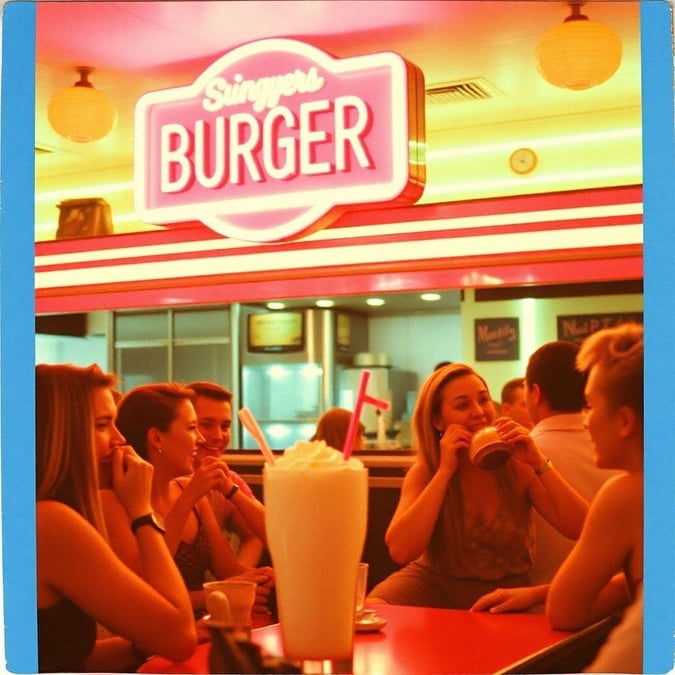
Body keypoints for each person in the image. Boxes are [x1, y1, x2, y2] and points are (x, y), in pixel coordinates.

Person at [366, 362, 588, 609]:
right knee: (374, 608)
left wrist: (537, 460)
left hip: (506, 590)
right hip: (433, 585)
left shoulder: (517, 466)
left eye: (483, 400)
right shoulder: (427, 471)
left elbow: (580, 528)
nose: (479, 412)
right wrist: (444, 471)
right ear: (438, 421)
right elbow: (401, 551)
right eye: (462, 405)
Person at [471, 324, 643, 641]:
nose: (585, 419)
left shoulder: (627, 493)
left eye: (591, 405)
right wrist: (536, 593)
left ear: (625, 421)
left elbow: (565, 612)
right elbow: (630, 582)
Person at [36, 363, 197, 672]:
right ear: (60, 435)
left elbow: (57, 658)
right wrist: (141, 513)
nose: (119, 439)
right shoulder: (48, 523)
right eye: (102, 425)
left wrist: (140, 644)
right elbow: (180, 638)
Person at [107, 383, 274, 619]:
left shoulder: (187, 489)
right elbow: (145, 586)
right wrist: (187, 500)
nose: (200, 439)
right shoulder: (114, 501)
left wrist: (265, 578)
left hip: (204, 626)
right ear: (156, 438)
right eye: (193, 428)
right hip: (155, 633)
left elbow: (229, 570)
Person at [525, 340, 620, 585]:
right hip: (621, 597)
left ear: (535, 393)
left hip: (537, 605)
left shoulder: (522, 455)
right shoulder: (621, 450)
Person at [186, 381, 266, 567]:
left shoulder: (227, 477)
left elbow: (263, 534)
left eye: (225, 426)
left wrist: (244, 578)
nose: (219, 435)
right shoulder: (166, 480)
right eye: (206, 424)